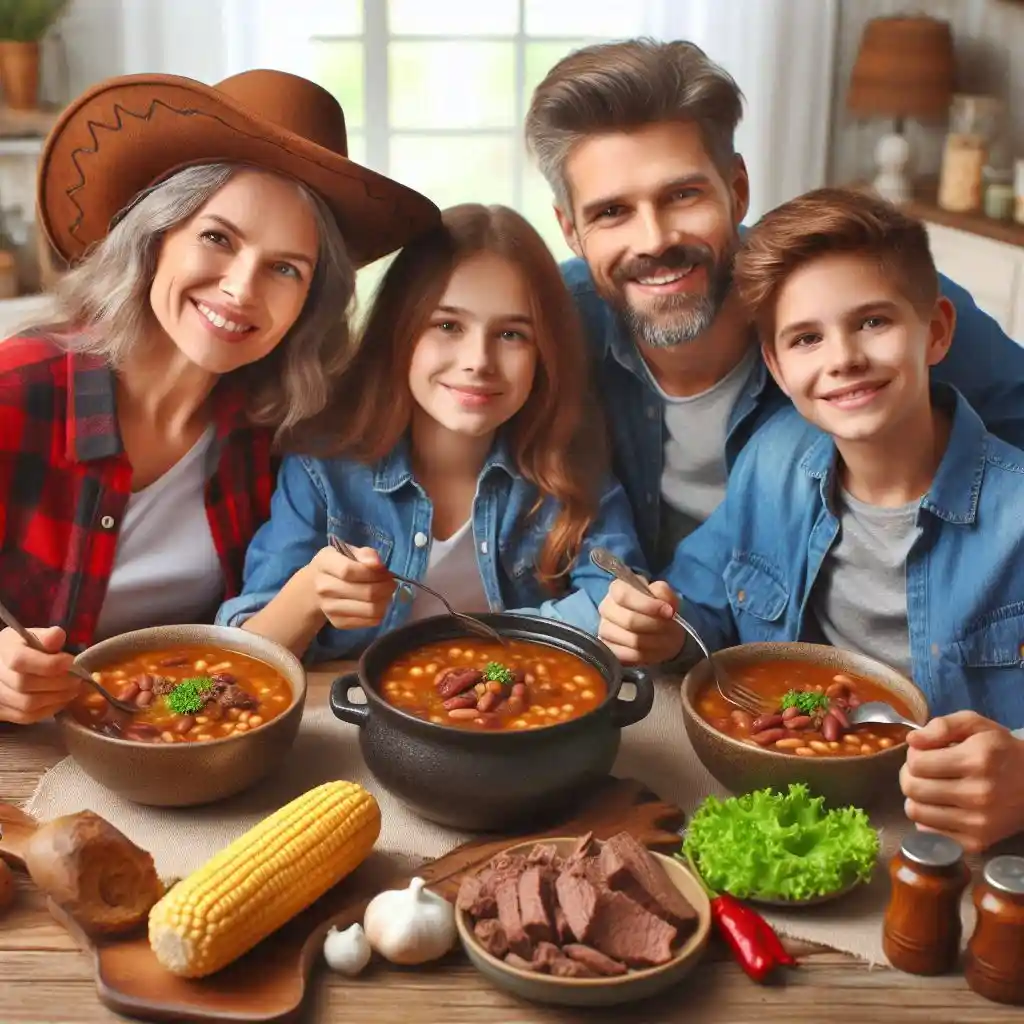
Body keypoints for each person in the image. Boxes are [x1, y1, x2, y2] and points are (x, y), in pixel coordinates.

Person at [0, 69, 439, 725]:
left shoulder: (281, 432)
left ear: (309, 302)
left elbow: (245, 653)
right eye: (218, 238)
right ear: (156, 235)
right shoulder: (20, 387)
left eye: (286, 268)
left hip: (183, 739)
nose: (241, 289)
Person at [596, 187, 1024, 852]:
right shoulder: (772, 460)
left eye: (874, 322)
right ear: (777, 364)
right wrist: (657, 625)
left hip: (965, 844)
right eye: (805, 338)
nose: (842, 358)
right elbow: (697, 605)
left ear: (936, 330)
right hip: (803, 805)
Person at [524, 39, 1024, 571]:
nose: (654, 239)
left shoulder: (869, 302)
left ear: (737, 189)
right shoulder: (554, 322)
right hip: (660, 626)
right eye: (612, 212)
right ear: (571, 230)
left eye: (682, 195)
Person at [216, 203, 646, 658]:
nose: (478, 360)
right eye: (447, 325)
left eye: (511, 335)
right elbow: (244, 654)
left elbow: (620, 601)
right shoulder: (321, 468)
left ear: (545, 352)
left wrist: (472, 651)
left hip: (511, 718)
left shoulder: (570, 468)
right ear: (399, 331)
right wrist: (307, 595)